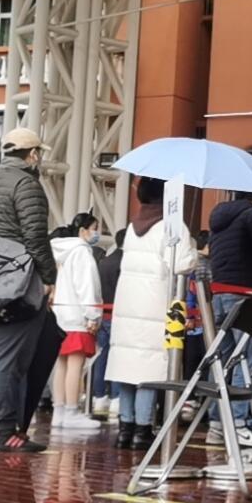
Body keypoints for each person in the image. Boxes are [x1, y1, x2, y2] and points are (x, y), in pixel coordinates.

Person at [0, 127, 58, 453]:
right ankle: (5, 432)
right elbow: (35, 236)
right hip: (17, 280)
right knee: (8, 359)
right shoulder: (27, 185)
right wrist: (49, 276)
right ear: (33, 154)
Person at [106, 177, 196, 450]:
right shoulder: (171, 226)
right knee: (148, 370)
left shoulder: (132, 227)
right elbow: (181, 264)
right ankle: (143, 430)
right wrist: (193, 249)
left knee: (127, 368)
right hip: (154, 305)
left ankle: (125, 429)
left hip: (128, 305)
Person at [208, 190, 252, 448]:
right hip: (243, 292)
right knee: (246, 359)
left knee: (222, 360)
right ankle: (238, 424)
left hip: (219, 292)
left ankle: (216, 425)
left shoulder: (217, 216)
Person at [49, 212, 103, 431]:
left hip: (60, 315)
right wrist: (93, 314)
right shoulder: (81, 252)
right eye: (95, 228)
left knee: (61, 365)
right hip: (77, 316)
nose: (97, 233)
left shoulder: (61, 252)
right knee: (75, 366)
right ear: (83, 231)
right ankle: (72, 410)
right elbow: (87, 286)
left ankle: (59, 411)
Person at [91, 228, 126, 417]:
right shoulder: (126, 263)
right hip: (119, 316)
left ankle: (99, 397)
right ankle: (116, 398)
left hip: (103, 315)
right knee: (118, 358)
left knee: (101, 357)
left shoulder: (104, 262)